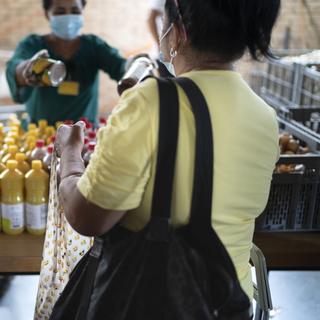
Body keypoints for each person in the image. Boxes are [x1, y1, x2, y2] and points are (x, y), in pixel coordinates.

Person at [56, 0, 281, 303]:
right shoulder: (265, 117)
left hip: (157, 301)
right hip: (229, 301)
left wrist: (69, 155)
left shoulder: (150, 101)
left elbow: (87, 217)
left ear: (178, 34)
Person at [6, 0, 126, 125]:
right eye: (60, 12)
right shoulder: (33, 44)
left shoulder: (93, 46)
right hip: (40, 135)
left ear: (82, 12)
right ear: (47, 14)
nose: (68, 17)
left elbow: (121, 67)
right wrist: (28, 68)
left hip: (83, 136)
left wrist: (136, 63)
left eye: (75, 11)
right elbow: (15, 67)